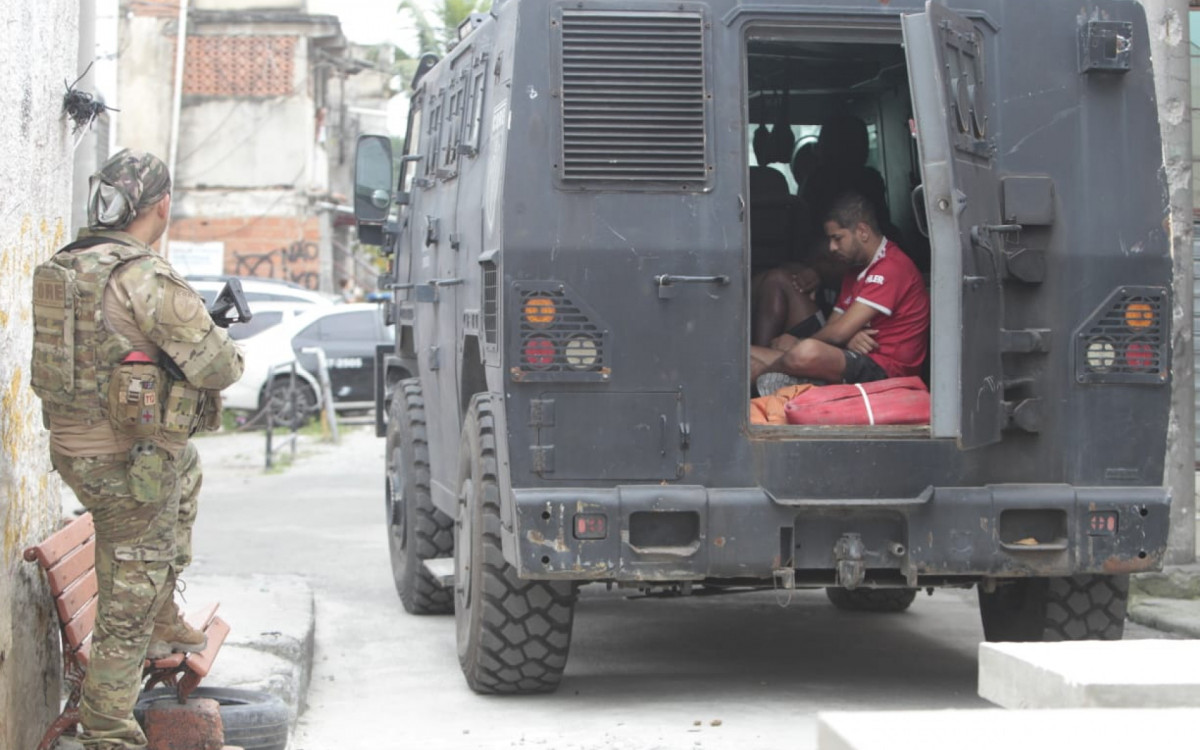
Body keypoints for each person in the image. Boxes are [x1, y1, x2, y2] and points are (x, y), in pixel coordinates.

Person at [29, 150, 244, 750]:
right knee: (128, 602)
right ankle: (109, 733)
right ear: (161, 207)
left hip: (76, 451)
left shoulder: (66, 264)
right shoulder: (143, 274)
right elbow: (218, 366)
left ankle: (161, 617)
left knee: (188, 466)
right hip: (125, 464)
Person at [751, 191, 929, 391]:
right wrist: (847, 336)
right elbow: (834, 326)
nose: (832, 247)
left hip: (885, 369)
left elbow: (837, 333)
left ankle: (761, 375)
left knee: (806, 350)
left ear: (862, 231)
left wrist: (804, 341)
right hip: (854, 357)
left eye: (837, 238)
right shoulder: (855, 271)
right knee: (747, 354)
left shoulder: (892, 266)